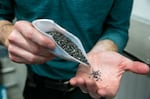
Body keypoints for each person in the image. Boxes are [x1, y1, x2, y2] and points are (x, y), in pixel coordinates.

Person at [0, 0, 149, 99]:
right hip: (37, 85)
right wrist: (7, 34)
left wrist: (106, 47)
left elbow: (117, 27)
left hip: (91, 86)